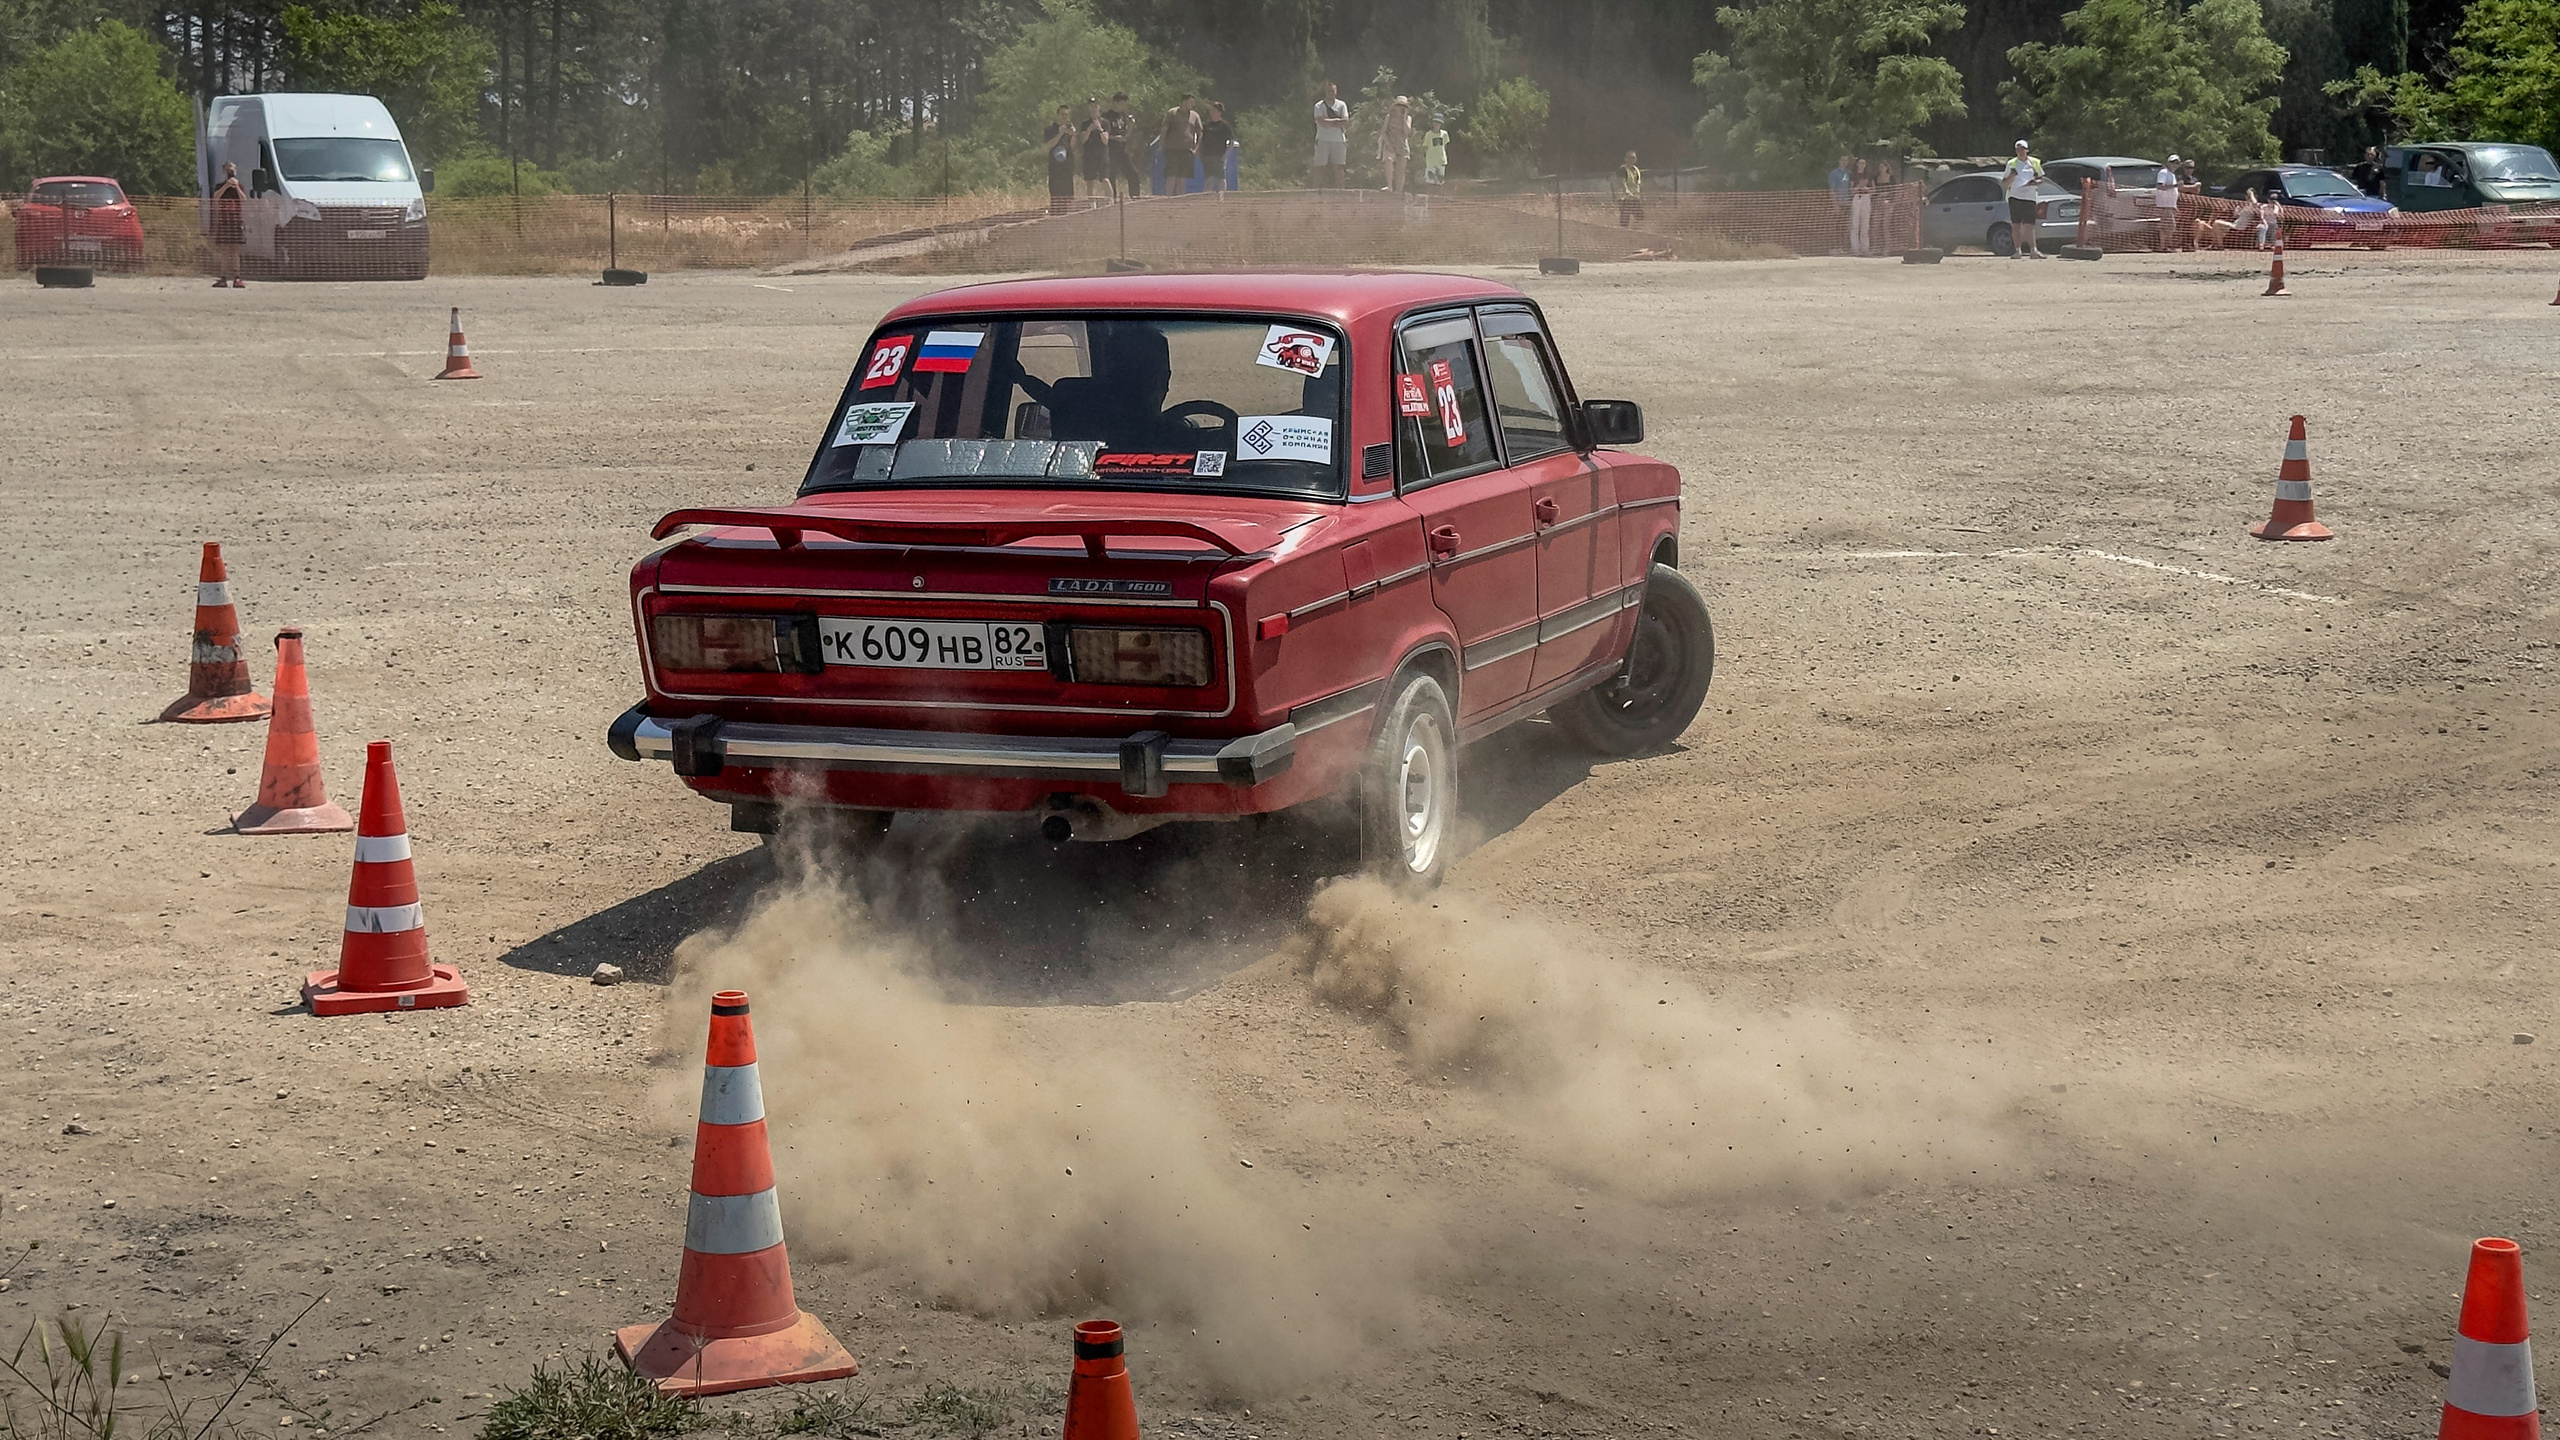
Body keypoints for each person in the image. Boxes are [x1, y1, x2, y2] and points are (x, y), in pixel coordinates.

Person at [2001, 140, 2045, 258]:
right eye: (2018, 149)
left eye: (2022, 149)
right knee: (2016, 225)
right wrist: (2012, 175)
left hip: (2030, 197)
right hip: (2015, 197)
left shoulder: (2034, 162)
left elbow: (2042, 178)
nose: (2020, 152)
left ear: (2027, 150)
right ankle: (2017, 251)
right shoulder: (2011, 163)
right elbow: (2004, 183)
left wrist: (2035, 181)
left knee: (2029, 225)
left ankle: (2033, 250)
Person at [210, 161, 246, 288]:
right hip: (224, 221)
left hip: (236, 221)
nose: (230, 172)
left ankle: (237, 277)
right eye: (228, 170)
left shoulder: (239, 186)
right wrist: (226, 185)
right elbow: (215, 198)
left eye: (232, 170)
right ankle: (223, 277)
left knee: (235, 251)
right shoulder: (219, 186)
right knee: (225, 250)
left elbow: (244, 200)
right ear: (224, 171)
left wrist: (235, 186)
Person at [1160, 92, 1200, 194]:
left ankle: (1180, 201)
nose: (1192, 104)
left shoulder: (1194, 115)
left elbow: (1200, 132)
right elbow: (1164, 130)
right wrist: (1161, 145)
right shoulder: (1172, 113)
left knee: (1182, 178)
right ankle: (1168, 199)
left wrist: (1196, 149)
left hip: (1187, 151)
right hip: (1172, 149)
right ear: (1184, 102)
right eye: (1191, 102)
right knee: (1171, 176)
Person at [1103, 92, 1141, 196]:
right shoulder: (1106, 116)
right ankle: (1112, 199)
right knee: (1112, 175)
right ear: (1115, 102)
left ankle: (1135, 197)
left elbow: (1125, 136)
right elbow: (1102, 135)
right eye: (1121, 103)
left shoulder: (1123, 116)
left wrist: (1131, 126)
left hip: (1121, 150)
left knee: (1133, 173)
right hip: (1110, 149)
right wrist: (1114, 137)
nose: (1123, 106)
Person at [1312, 82, 1349, 189]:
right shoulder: (1319, 106)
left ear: (1336, 92)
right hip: (1323, 139)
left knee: (1339, 167)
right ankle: (1316, 190)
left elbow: (1345, 120)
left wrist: (1329, 122)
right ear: (1325, 92)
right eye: (1329, 91)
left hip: (1339, 140)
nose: (1331, 93)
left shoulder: (1341, 105)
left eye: (1333, 91)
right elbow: (1320, 121)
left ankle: (1340, 190)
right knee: (1320, 166)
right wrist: (1336, 121)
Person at [1043, 105, 1078, 213]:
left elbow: (1072, 146)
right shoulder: (1050, 129)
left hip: (1067, 167)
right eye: (1062, 114)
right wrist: (1060, 133)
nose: (1064, 117)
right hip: (1055, 167)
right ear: (1057, 115)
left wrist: (1073, 135)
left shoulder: (1069, 129)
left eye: (1066, 115)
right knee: (1055, 194)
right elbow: (1049, 145)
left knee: (1068, 194)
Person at [1378, 95, 1413, 194]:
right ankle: (1389, 186)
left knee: (1401, 170)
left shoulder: (1408, 118)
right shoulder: (1389, 117)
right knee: (1388, 161)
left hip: (1402, 144)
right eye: (1399, 106)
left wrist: (1404, 118)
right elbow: (1383, 132)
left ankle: (1399, 191)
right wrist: (1388, 143)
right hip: (1390, 142)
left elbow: (1407, 132)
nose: (1401, 108)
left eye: (1403, 106)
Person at [1199, 100, 1234, 193]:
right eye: (1211, 111)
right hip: (1207, 156)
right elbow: (1201, 140)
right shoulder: (1206, 125)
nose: (1212, 113)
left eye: (1214, 111)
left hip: (1219, 156)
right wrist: (1200, 153)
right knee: (1208, 179)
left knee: (1220, 178)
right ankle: (1207, 199)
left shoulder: (1224, 126)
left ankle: (1222, 198)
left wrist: (1225, 156)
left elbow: (1231, 141)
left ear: (1219, 112)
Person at [1080, 99, 1111, 198]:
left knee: (1105, 179)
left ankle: (1110, 201)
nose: (1093, 109)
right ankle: (1091, 205)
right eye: (1091, 107)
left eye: (1095, 106)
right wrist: (1089, 130)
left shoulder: (1105, 123)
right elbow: (1083, 140)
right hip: (1089, 155)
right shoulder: (1085, 123)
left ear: (1099, 108)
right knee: (1090, 181)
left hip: (1102, 155)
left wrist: (1099, 128)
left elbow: (1106, 140)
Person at [2151, 154, 2182, 251]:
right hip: (2164, 205)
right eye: (2173, 162)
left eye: (2177, 163)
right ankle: (2164, 246)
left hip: (2169, 205)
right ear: (2168, 163)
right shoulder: (2163, 172)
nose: (2175, 165)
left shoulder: (2172, 175)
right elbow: (2160, 186)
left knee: (2167, 226)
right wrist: (2175, 185)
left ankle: (2164, 246)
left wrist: (2174, 205)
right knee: (2169, 226)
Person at [1848, 156, 1873, 256]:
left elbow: (1873, 190)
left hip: (1866, 198)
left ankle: (1865, 248)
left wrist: (1866, 187)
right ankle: (1855, 249)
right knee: (1855, 224)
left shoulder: (1868, 175)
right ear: (1857, 164)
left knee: (1865, 224)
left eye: (1864, 163)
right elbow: (1851, 190)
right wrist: (1859, 186)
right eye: (1860, 163)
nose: (1862, 165)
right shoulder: (1853, 175)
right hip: (1856, 198)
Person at [1612, 150, 1644, 227]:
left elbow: (1637, 184)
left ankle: (1636, 232)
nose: (1632, 160)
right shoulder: (1622, 170)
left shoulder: (1636, 170)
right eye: (1630, 158)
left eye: (1633, 158)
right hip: (1625, 198)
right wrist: (1627, 193)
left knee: (1640, 217)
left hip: (1635, 197)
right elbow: (1621, 183)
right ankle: (1625, 234)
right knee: (1625, 219)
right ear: (1625, 159)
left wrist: (1640, 195)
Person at [1421, 113, 1450, 188]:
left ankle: (1439, 197)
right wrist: (1426, 157)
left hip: (1441, 160)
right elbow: (1425, 146)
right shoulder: (1428, 134)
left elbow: (1445, 145)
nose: (1437, 125)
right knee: (1430, 180)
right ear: (1433, 123)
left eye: (1439, 123)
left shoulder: (1444, 134)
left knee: (1440, 181)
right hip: (1431, 161)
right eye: (1436, 122)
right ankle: (1431, 196)